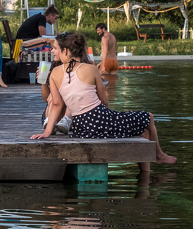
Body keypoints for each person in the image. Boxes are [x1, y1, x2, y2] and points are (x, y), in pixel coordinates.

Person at [32, 32, 176, 171]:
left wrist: (47, 131)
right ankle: (158, 156)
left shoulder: (55, 73)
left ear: (65, 51)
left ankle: (148, 171)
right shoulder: (91, 69)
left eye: (55, 48)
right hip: (100, 120)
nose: (53, 51)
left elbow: (56, 104)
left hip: (81, 127)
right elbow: (104, 100)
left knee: (143, 131)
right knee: (148, 117)